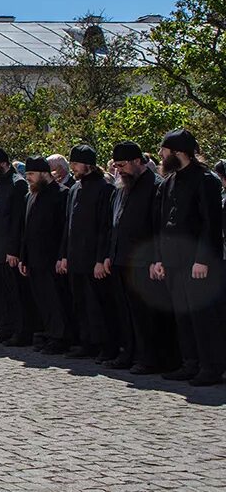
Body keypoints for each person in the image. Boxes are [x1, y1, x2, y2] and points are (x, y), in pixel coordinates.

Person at [151, 129, 225, 386]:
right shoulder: (170, 181)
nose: (161, 154)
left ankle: (211, 366)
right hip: (173, 260)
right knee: (183, 316)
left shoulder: (206, 180)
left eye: (164, 150)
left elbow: (211, 223)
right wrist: (160, 258)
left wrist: (202, 259)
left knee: (203, 317)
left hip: (197, 262)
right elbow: (162, 223)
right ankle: (190, 362)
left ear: (178, 152)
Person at [109, 143, 169, 374]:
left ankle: (150, 357)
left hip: (144, 261)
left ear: (137, 161)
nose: (119, 170)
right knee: (126, 312)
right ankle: (131, 352)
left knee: (146, 315)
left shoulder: (155, 186)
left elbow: (157, 227)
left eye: (122, 165)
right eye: (116, 166)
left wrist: (156, 258)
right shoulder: (122, 186)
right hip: (121, 258)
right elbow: (114, 223)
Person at [58, 145, 114, 360]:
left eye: (76, 163)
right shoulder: (74, 189)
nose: (73, 167)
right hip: (75, 257)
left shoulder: (104, 188)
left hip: (93, 259)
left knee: (97, 305)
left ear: (88, 164)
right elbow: (68, 225)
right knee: (80, 303)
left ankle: (105, 346)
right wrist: (63, 255)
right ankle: (86, 342)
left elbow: (104, 227)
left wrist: (100, 259)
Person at [0, 147, 31, 344]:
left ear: (4, 163)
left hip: (9, 251)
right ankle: (5, 327)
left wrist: (13, 250)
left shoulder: (17, 184)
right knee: (0, 294)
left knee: (15, 295)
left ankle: (21, 331)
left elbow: (17, 221)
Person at [21, 157, 68, 351]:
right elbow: (26, 229)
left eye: (32, 174)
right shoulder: (31, 195)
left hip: (52, 258)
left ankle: (61, 337)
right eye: (27, 175)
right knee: (42, 300)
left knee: (56, 300)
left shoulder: (61, 194)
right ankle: (48, 333)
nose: (29, 179)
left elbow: (64, 229)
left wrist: (61, 256)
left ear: (44, 173)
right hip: (34, 258)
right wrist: (24, 256)